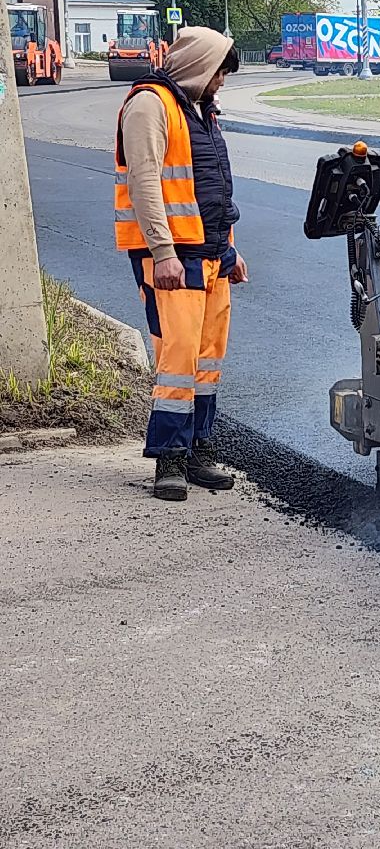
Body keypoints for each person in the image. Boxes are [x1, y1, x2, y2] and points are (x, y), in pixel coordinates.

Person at [114, 26, 246, 502]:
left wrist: (230, 251)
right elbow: (145, 184)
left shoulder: (200, 111)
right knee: (178, 358)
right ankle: (168, 460)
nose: (223, 82)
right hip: (172, 257)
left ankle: (198, 450)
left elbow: (213, 192)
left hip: (210, 255)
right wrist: (163, 252)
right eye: (219, 73)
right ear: (198, 66)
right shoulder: (150, 105)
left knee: (207, 359)